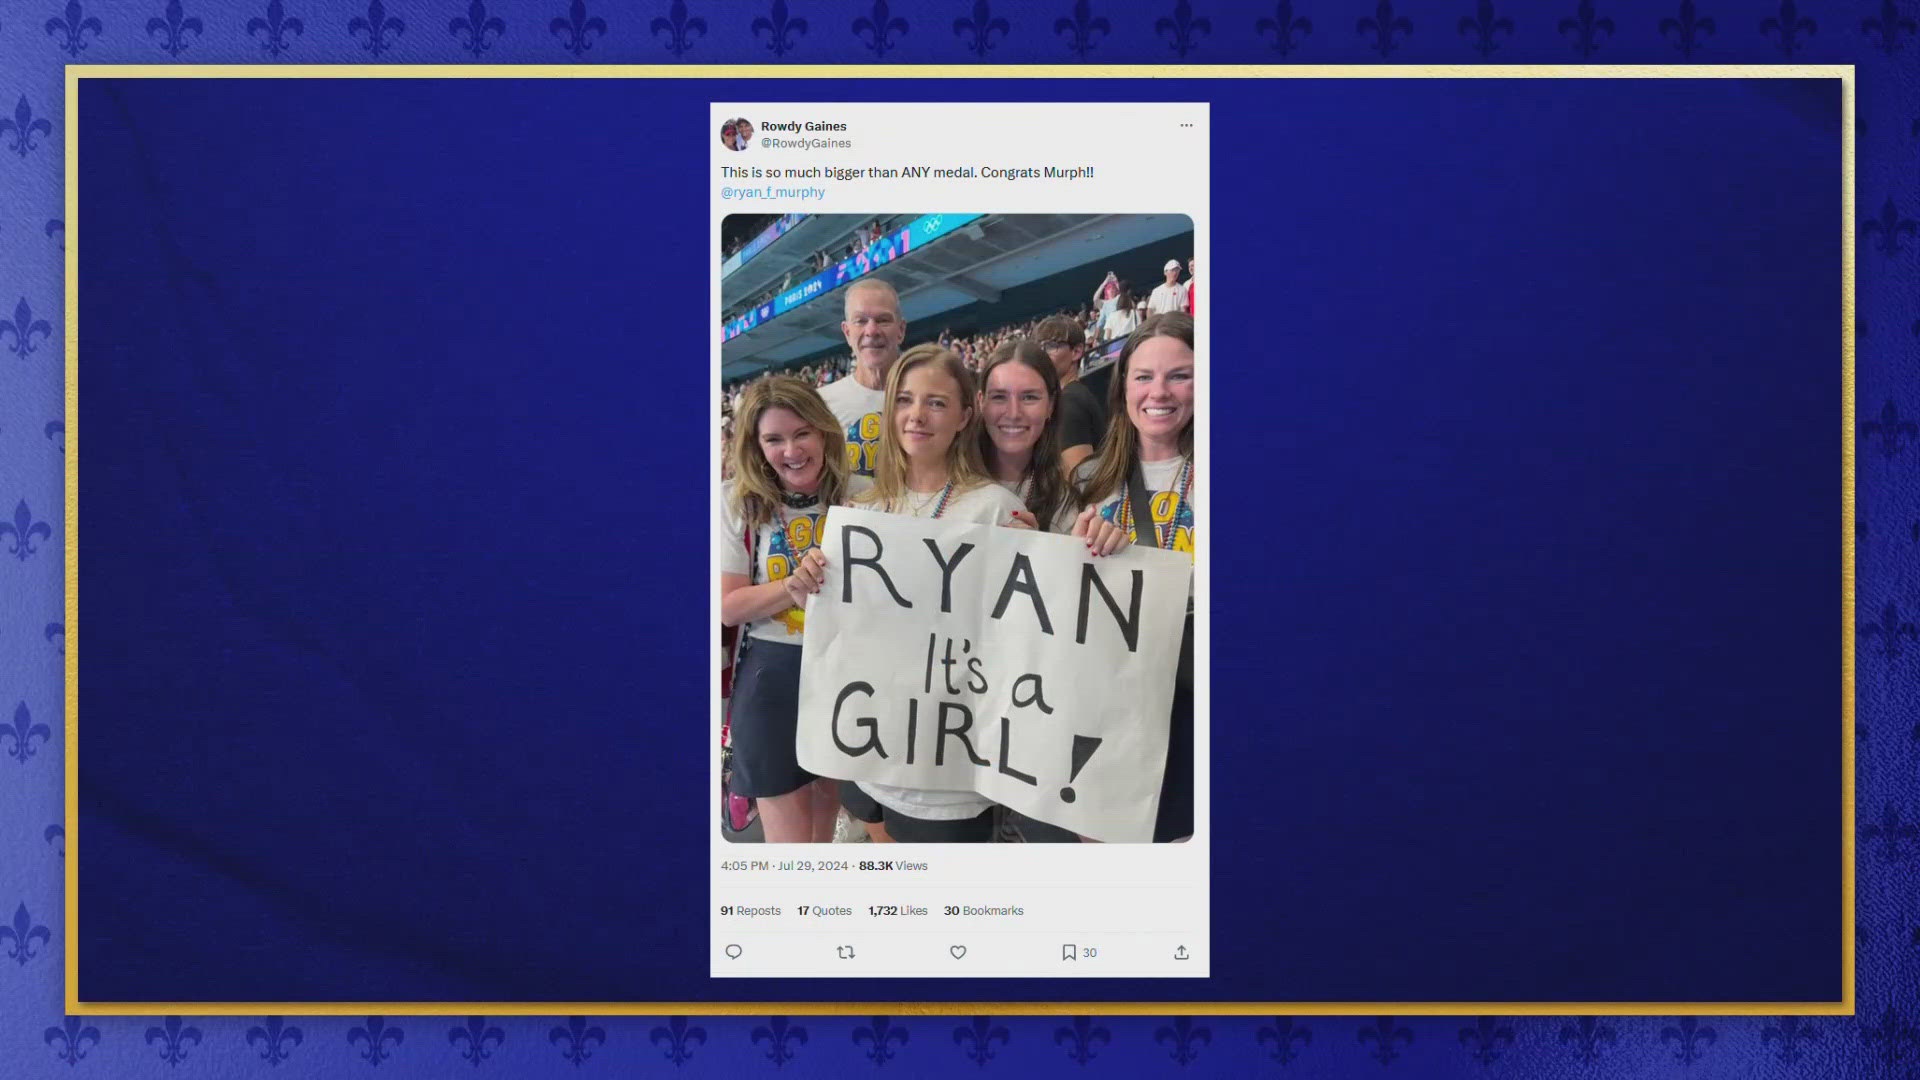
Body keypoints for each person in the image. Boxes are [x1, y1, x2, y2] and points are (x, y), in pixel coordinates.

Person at [785, 344, 1027, 843]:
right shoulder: (862, 510)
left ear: (965, 416)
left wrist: (1036, 561)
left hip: (944, 771)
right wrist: (813, 578)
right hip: (868, 750)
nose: (917, 415)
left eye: (936, 403)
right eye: (905, 400)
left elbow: (1012, 639)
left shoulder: (995, 510)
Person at [717, 376, 862, 843]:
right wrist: (789, 587)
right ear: (757, 448)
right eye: (774, 439)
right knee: (790, 850)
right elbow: (728, 607)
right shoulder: (736, 501)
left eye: (802, 433)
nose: (791, 450)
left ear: (823, 432)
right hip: (771, 674)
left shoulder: (863, 493)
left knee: (824, 828)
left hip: (844, 668)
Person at [1073, 312, 1196, 843]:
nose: (1159, 392)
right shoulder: (1088, 481)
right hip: (1112, 706)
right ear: (1123, 386)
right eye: (1143, 376)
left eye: (1181, 375)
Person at [818, 278, 906, 479]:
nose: (872, 330)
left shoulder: (928, 399)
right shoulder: (820, 404)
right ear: (847, 332)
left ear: (900, 330)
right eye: (861, 321)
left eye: (883, 320)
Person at [1033, 314, 1108, 475]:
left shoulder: (1069, 402)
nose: (1042, 354)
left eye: (1052, 346)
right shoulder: (1073, 395)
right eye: (1040, 347)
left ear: (1077, 351)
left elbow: (1079, 481)